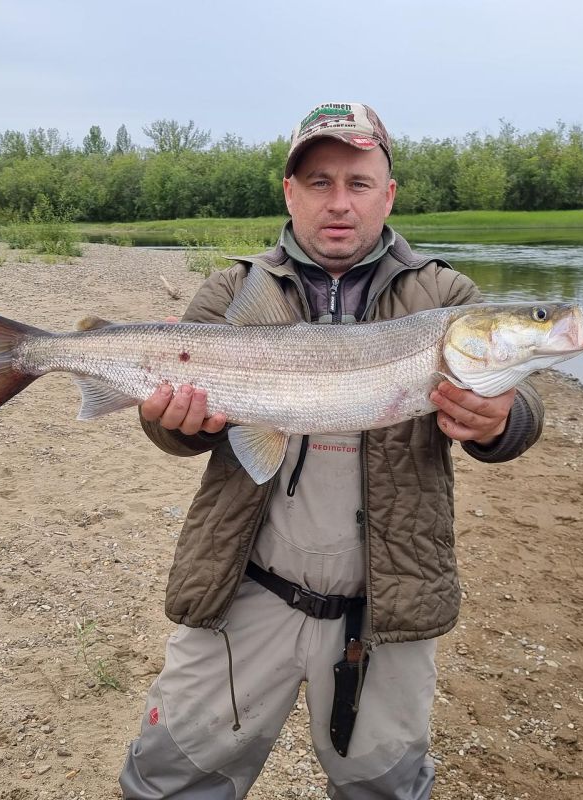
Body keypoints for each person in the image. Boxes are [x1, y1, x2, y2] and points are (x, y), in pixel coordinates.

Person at [120, 102, 544, 799]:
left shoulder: (443, 296)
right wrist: (176, 422)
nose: (339, 202)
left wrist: (501, 421)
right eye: (319, 182)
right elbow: (170, 432)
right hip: (244, 590)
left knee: (383, 788)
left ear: (389, 193)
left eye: (358, 182)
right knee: (170, 782)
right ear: (290, 192)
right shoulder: (233, 291)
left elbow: (521, 409)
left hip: (387, 605)